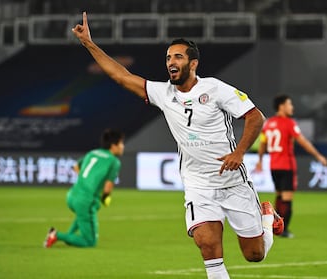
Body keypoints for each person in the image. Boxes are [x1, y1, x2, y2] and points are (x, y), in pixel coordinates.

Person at [71, 12, 283, 278]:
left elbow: (255, 117)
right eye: (168, 58)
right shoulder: (163, 93)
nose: (171, 62)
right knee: (207, 244)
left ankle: (266, 215)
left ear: (193, 63)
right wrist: (89, 43)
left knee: (254, 255)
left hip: (232, 182)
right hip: (198, 185)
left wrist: (239, 152)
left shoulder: (215, 89)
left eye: (178, 57)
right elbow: (122, 77)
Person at [255, 95, 327, 238]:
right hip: (286, 165)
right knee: (287, 198)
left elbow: (263, 143)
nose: (292, 107)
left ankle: (273, 226)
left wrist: (260, 160)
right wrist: (318, 156)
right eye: (289, 104)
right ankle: (283, 230)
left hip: (274, 165)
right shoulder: (289, 123)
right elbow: (303, 141)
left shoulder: (268, 123)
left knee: (279, 196)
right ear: (281, 106)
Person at [44, 128, 125, 248]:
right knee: (89, 242)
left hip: (72, 195)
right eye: (121, 143)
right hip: (85, 201)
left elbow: (76, 166)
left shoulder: (93, 153)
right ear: (113, 146)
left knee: (86, 213)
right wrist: (105, 197)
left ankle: (68, 236)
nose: (123, 146)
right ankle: (56, 235)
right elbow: (108, 187)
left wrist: (86, 181)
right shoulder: (114, 161)